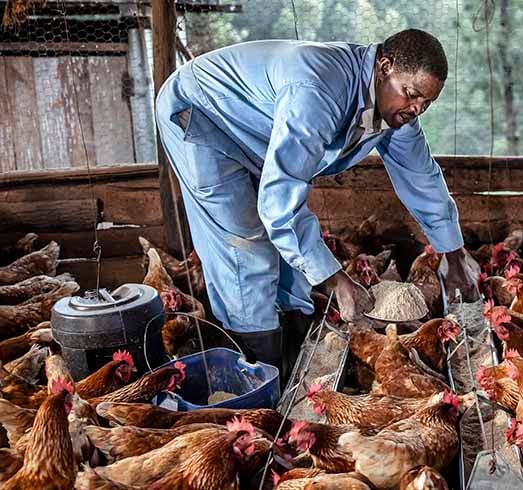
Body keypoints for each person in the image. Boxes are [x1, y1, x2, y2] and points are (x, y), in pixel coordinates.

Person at [154, 29, 479, 381]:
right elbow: (282, 199)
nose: (417, 109)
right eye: (412, 95)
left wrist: (454, 253)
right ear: (384, 67)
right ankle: (257, 379)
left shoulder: (395, 110)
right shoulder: (319, 89)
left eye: (427, 103)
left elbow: (421, 177)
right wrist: (337, 281)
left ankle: (293, 359)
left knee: (294, 263)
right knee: (246, 249)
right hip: (204, 115)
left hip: (254, 130)